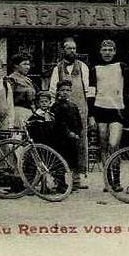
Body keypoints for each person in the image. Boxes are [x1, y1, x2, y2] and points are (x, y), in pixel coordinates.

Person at [90, 40, 129, 192]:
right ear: (100, 51)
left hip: (117, 110)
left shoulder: (122, 66)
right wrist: (91, 115)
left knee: (114, 145)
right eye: (104, 49)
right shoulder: (95, 69)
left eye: (110, 50)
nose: (107, 52)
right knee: (104, 146)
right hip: (100, 109)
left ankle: (117, 181)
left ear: (114, 51)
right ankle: (108, 181)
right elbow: (91, 93)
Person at [47, 37, 93, 189]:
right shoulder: (57, 69)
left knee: (80, 143)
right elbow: (52, 92)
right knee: (61, 144)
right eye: (69, 48)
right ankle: (59, 179)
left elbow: (88, 91)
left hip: (79, 111)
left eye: (74, 48)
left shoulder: (83, 67)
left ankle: (77, 179)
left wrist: (89, 113)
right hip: (61, 112)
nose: (72, 51)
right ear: (63, 50)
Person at [49, 80, 83, 182]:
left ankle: (76, 180)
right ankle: (59, 182)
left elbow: (78, 122)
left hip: (73, 138)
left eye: (68, 90)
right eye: (62, 90)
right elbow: (59, 123)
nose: (65, 92)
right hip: (61, 138)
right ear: (58, 91)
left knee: (74, 158)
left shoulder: (73, 106)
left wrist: (77, 132)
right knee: (61, 158)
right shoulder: (55, 106)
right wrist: (69, 133)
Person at [7, 54, 37, 126]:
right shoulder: (11, 79)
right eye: (24, 64)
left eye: (28, 64)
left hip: (29, 112)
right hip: (18, 112)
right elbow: (8, 99)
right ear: (16, 65)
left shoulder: (28, 80)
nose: (28, 67)